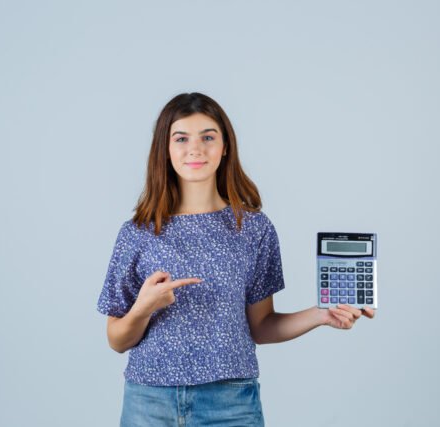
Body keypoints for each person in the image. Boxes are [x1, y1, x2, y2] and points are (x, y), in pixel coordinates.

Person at [97, 92, 375, 426]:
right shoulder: (138, 233)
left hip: (230, 404)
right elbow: (117, 340)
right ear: (165, 149)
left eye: (208, 137)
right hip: (149, 401)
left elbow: (261, 325)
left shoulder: (254, 228)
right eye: (181, 138)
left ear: (225, 146)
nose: (195, 149)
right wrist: (143, 307)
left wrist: (321, 315)